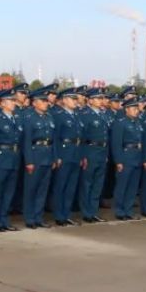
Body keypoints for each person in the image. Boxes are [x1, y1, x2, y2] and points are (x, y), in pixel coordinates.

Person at [0, 88, 22, 232]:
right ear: (2, 103)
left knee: (9, 192)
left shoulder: (16, 118)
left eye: (14, 100)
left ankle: (4, 220)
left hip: (13, 158)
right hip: (1, 159)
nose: (14, 103)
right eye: (11, 101)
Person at [22, 87, 57, 229]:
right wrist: (29, 161)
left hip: (47, 156)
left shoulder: (49, 117)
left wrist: (54, 157)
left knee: (43, 189)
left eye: (46, 101)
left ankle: (38, 217)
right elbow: (27, 142)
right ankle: (29, 218)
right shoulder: (29, 118)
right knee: (31, 189)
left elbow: (52, 140)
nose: (46, 104)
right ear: (34, 103)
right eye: (42, 101)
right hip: (35, 157)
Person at [50, 88, 84, 226]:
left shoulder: (76, 115)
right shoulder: (58, 115)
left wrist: (81, 155)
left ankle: (66, 214)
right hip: (64, 153)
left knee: (71, 187)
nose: (75, 101)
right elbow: (55, 137)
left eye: (76, 99)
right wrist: (56, 156)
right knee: (61, 186)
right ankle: (59, 215)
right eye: (72, 99)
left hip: (75, 153)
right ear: (64, 100)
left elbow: (80, 137)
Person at [78, 89, 111, 223]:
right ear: (90, 100)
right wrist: (83, 155)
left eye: (101, 98)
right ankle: (86, 212)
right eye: (97, 98)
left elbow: (106, 136)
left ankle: (93, 211)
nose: (100, 100)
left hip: (102, 151)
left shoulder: (103, 114)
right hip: (90, 151)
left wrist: (106, 153)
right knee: (87, 184)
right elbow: (82, 137)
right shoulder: (85, 114)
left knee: (98, 184)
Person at [111, 98, 144, 221]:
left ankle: (128, 210)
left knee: (132, 187)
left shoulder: (137, 122)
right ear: (127, 109)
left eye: (137, 108)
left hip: (137, 156)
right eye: (134, 108)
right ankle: (120, 211)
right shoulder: (121, 123)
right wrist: (118, 161)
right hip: (126, 157)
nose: (136, 111)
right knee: (122, 185)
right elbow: (116, 143)